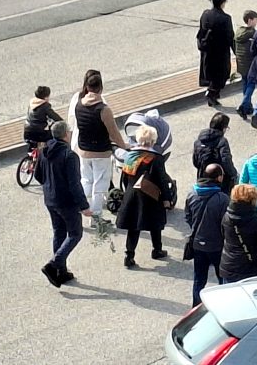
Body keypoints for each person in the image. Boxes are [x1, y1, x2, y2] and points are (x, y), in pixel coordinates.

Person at [34, 121, 92, 287]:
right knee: (75, 234)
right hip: (66, 202)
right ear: (66, 134)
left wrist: (49, 185)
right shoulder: (69, 155)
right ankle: (54, 264)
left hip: (50, 199)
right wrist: (84, 206)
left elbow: (38, 174)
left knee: (59, 232)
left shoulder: (43, 151)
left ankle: (61, 271)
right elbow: (74, 184)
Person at [75, 73, 128, 226]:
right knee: (100, 185)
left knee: (86, 180)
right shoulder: (103, 109)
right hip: (101, 152)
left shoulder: (79, 104)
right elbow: (114, 133)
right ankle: (96, 218)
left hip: (83, 151)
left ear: (87, 87)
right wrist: (124, 146)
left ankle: (79, 211)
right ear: (101, 88)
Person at [116, 125, 172, 269]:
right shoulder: (155, 158)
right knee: (156, 224)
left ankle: (129, 256)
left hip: (132, 193)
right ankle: (157, 250)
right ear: (153, 140)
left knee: (133, 227)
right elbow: (162, 180)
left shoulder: (130, 156)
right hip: (151, 196)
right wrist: (167, 198)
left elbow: (125, 177)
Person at [185, 163, 229, 307]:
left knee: (199, 279)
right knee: (222, 279)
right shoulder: (222, 198)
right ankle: (222, 307)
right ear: (219, 178)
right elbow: (226, 222)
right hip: (217, 246)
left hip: (198, 244)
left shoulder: (192, 194)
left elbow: (188, 217)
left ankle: (195, 309)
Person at [219, 184, 257, 283]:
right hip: (251, 269)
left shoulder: (227, 216)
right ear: (252, 200)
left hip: (229, 266)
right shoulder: (256, 220)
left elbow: (223, 235)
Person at [197, 0, 234, 107]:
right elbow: (230, 37)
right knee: (221, 76)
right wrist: (236, 51)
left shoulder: (205, 14)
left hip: (207, 50)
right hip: (220, 53)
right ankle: (212, 93)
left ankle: (213, 95)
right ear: (222, 2)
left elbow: (201, 31)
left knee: (211, 74)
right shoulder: (225, 18)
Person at [192, 112, 238, 195]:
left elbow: (195, 162)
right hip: (219, 179)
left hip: (203, 176)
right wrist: (233, 174)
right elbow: (226, 161)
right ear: (223, 128)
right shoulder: (222, 141)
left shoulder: (198, 141)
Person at [67, 69, 102, 154]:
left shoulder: (76, 97)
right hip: (95, 146)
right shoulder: (101, 102)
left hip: (76, 143)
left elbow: (70, 123)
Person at [234, 10, 257, 119]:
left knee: (245, 84)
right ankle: (243, 106)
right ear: (250, 20)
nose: (256, 22)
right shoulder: (252, 33)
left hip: (241, 63)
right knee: (251, 85)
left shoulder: (239, 31)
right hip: (250, 64)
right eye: (255, 20)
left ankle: (248, 107)